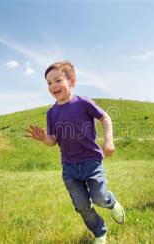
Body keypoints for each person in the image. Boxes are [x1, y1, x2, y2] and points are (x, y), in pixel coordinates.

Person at [27, 61, 125, 243]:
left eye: (57, 80)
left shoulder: (83, 103)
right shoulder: (52, 113)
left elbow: (105, 117)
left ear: (72, 81)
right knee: (82, 206)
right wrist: (43, 138)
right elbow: (53, 140)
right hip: (69, 166)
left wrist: (108, 140)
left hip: (91, 161)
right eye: (49, 83)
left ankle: (111, 202)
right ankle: (100, 232)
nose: (53, 86)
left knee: (99, 198)